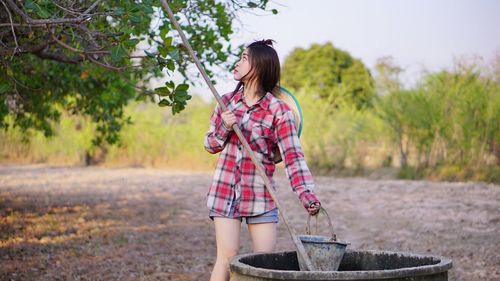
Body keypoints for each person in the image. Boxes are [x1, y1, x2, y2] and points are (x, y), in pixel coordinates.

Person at [203, 39, 321, 281]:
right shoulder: (225, 103)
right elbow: (209, 145)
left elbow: (293, 158)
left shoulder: (279, 111)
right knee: (227, 257)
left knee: (264, 265)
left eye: (244, 58)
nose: (237, 62)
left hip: (261, 195)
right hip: (225, 192)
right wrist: (225, 127)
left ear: (259, 66)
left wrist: (306, 195)